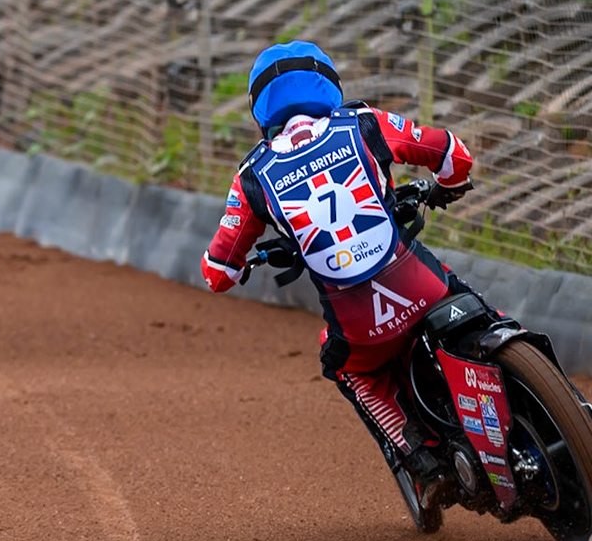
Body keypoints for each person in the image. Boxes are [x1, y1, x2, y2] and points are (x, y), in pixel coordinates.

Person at [201, 41, 477, 512]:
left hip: (360, 327)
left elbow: (219, 271)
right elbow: (452, 153)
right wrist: (448, 186)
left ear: (260, 106)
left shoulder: (253, 174)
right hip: (420, 288)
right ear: (328, 82)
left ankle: (420, 459)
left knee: (347, 369)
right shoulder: (365, 122)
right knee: (475, 308)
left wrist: (237, 265)